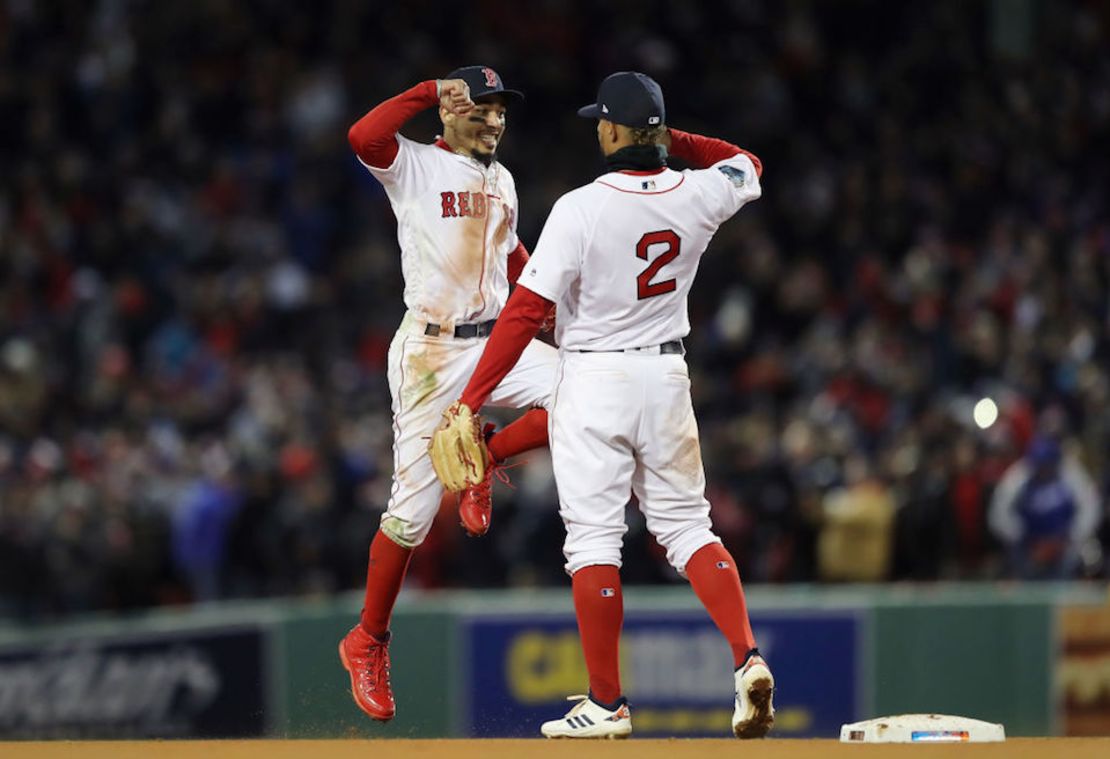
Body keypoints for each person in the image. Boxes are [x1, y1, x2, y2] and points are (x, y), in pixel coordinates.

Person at [432, 71, 774, 739]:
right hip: (667, 375)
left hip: (594, 380)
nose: (596, 127)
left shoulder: (581, 207)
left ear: (614, 131)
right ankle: (747, 655)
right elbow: (747, 163)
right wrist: (671, 138)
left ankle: (607, 702)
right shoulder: (701, 192)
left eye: (603, 120)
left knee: (593, 541)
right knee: (688, 529)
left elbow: (526, 311)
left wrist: (471, 400)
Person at [338, 66, 557, 722]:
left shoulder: (503, 177)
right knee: (410, 513)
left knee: (588, 391)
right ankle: (367, 638)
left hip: (495, 341)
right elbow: (362, 135)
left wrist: (548, 305)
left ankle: (484, 456)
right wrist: (428, 89)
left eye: (500, 112)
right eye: (479, 109)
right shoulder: (413, 165)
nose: (493, 121)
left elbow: (512, 253)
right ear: (449, 113)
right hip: (432, 351)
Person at [988, 435, 1101, 580]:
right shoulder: (1019, 475)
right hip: (1028, 548)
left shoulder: (1070, 473)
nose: (1044, 469)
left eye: (1048, 464)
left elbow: (1090, 507)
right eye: (1041, 465)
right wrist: (1023, 537)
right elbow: (999, 514)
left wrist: (1070, 536)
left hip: (1064, 546)